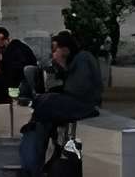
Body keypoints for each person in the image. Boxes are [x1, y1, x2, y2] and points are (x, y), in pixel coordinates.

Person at [18, 31, 103, 176]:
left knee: (44, 105)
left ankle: (33, 166)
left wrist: (63, 65)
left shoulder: (83, 58)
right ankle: (38, 162)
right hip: (78, 102)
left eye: (55, 49)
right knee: (43, 112)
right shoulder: (77, 60)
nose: (53, 53)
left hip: (84, 105)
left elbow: (78, 90)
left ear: (65, 49)